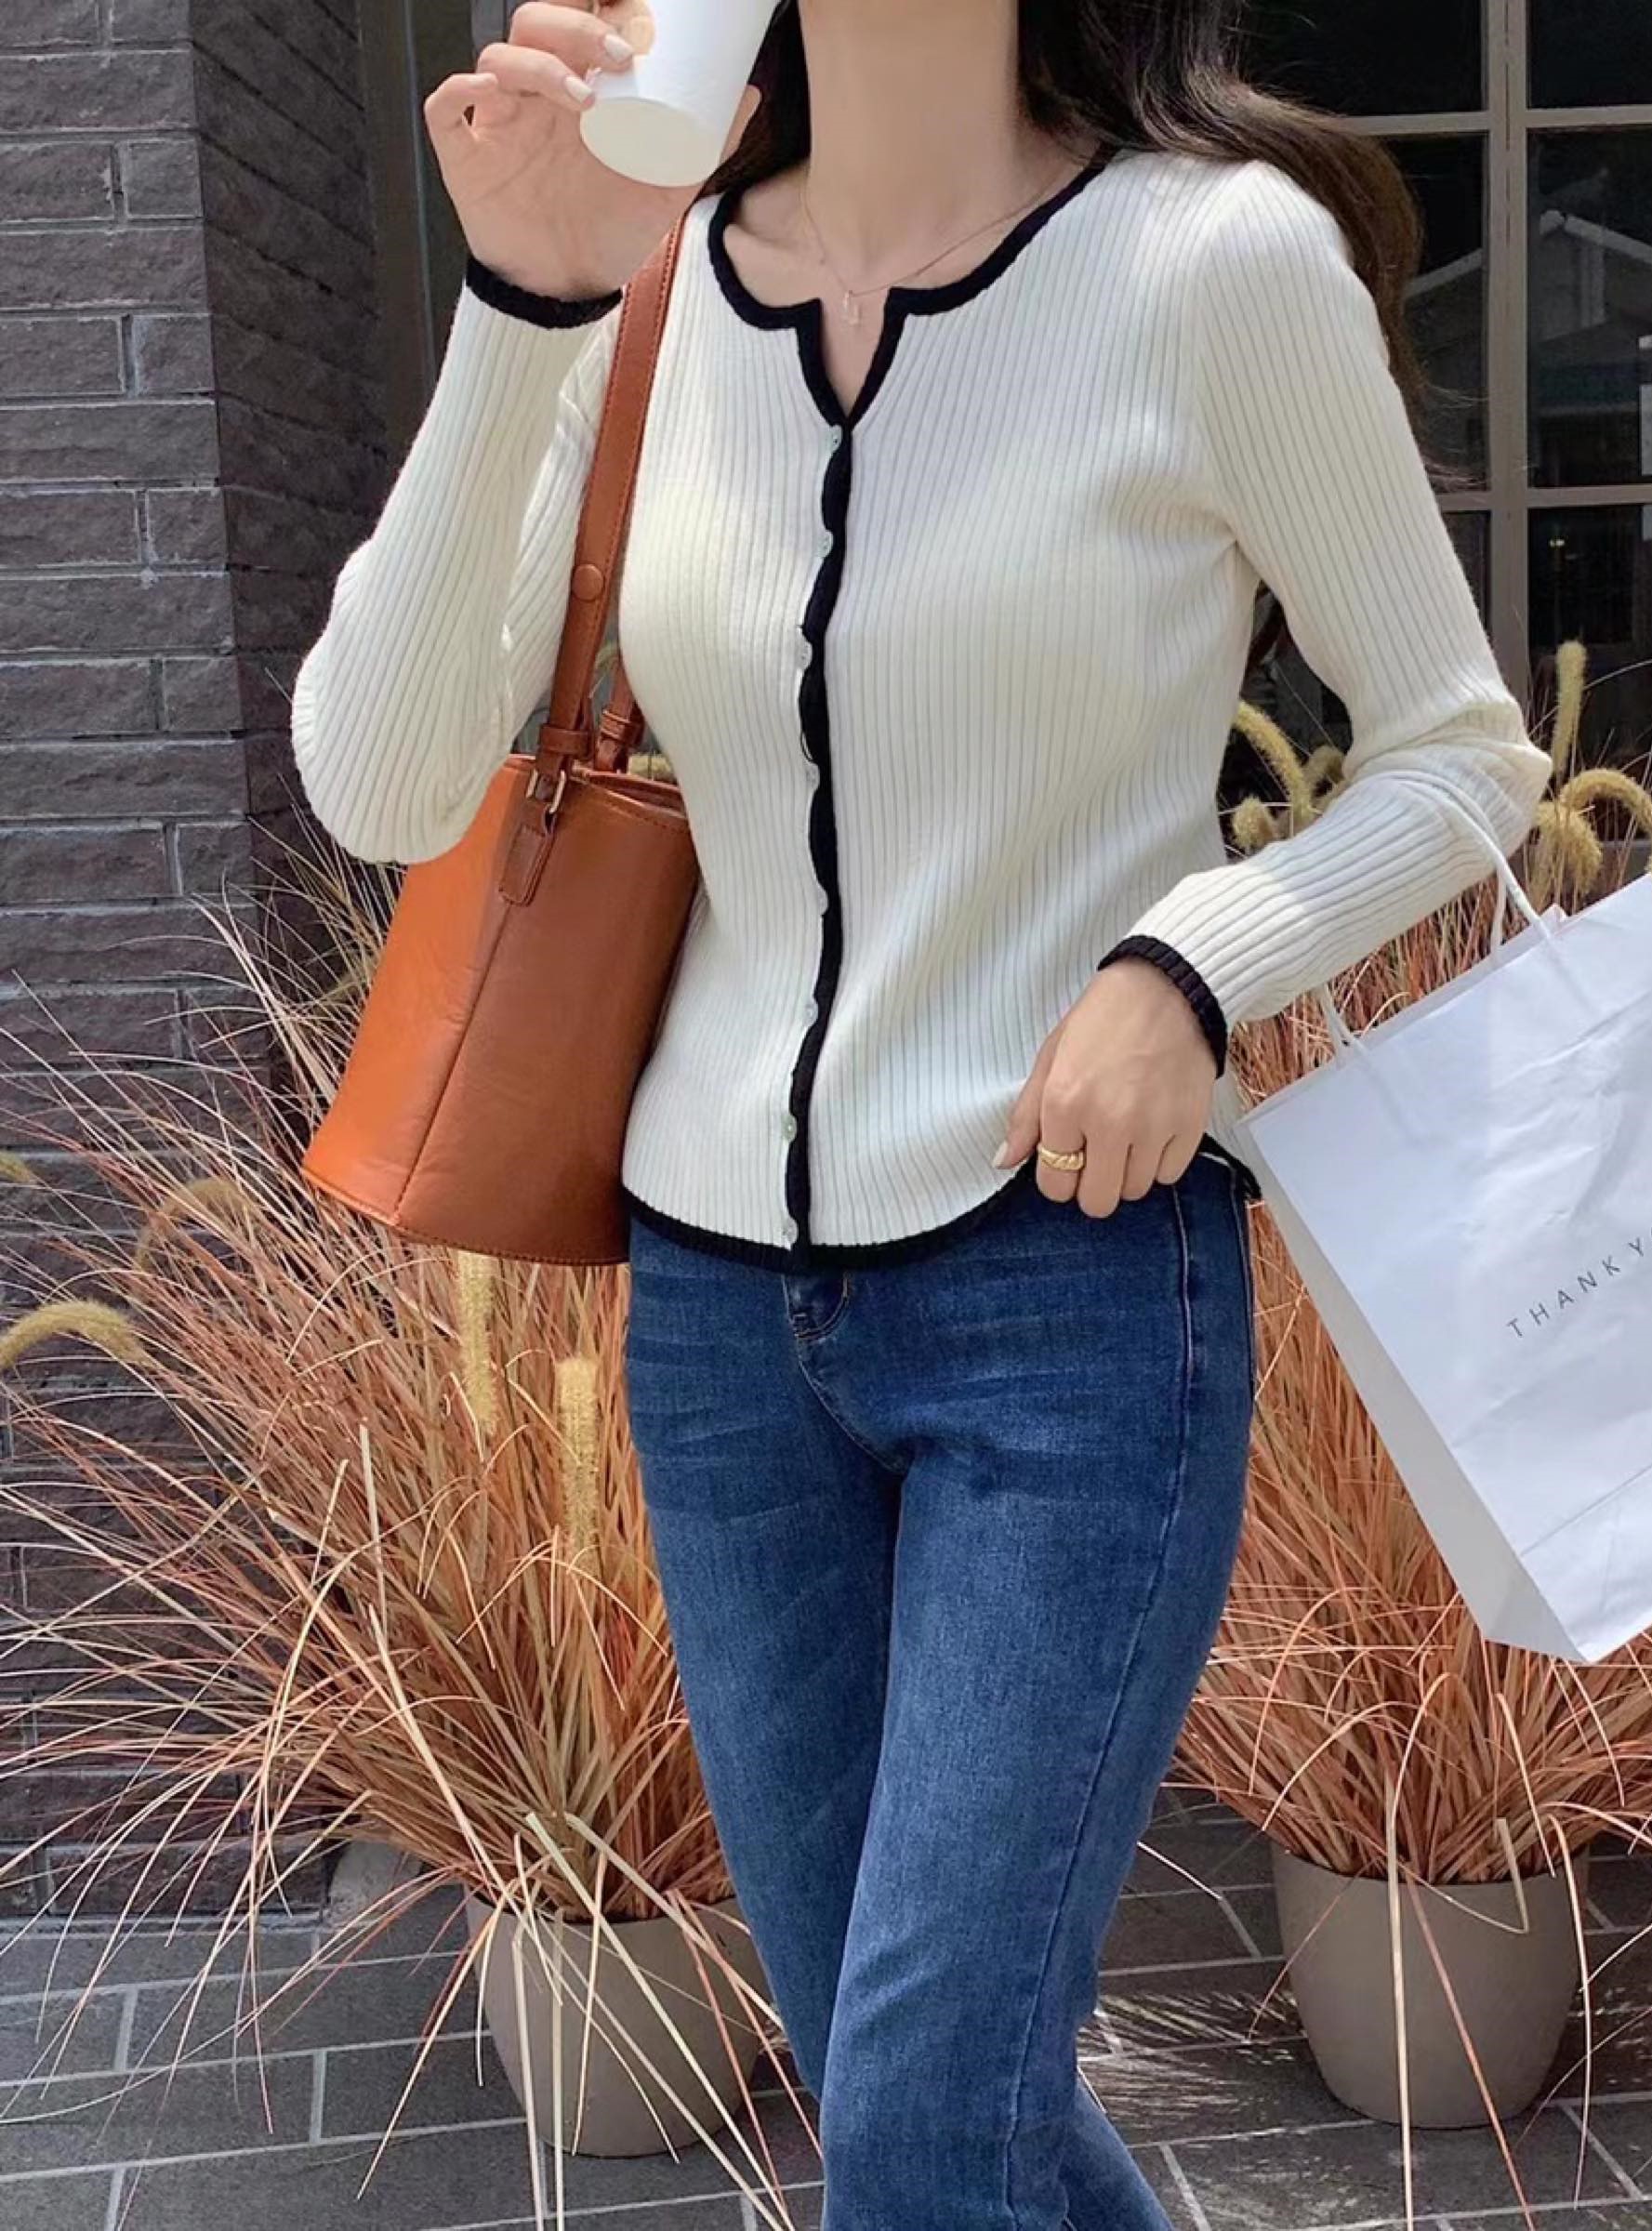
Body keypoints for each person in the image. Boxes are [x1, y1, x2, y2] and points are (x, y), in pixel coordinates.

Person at [291, 4, 1555, 2224]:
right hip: (716, 1331)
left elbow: (1463, 755)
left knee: (918, 2118)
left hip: (1069, 1292)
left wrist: (1191, 969)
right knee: (936, 2100)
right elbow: (382, 779)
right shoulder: (643, 289)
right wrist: (524, 295)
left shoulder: (1213, 264)